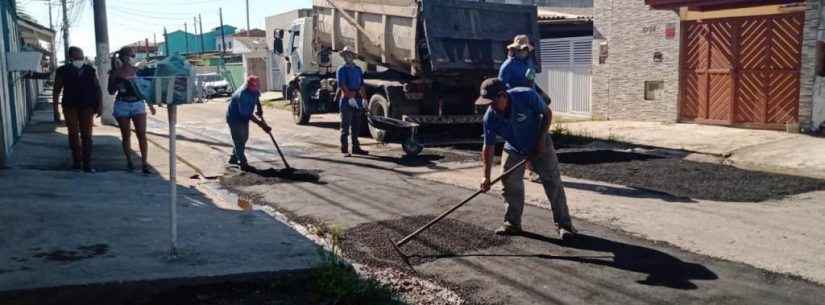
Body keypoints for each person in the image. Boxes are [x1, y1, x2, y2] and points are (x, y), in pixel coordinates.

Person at [476, 78, 577, 239]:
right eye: (488, 104)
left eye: (493, 102)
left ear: (503, 96)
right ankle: (512, 223)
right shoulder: (490, 117)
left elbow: (547, 113)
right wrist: (485, 176)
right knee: (509, 182)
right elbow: (488, 147)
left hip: (540, 143)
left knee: (552, 182)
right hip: (514, 147)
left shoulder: (526, 96)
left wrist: (541, 140)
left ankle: (565, 225)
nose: (491, 107)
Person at [52, 46, 102, 172]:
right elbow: (56, 90)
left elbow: (97, 88)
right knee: (73, 133)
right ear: (71, 58)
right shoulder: (62, 70)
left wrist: (100, 105)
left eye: (82, 56)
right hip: (70, 106)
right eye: (77, 57)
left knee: (87, 135)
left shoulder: (90, 70)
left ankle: (87, 164)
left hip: (87, 106)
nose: (80, 59)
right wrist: (55, 110)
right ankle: (76, 161)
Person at [109, 46, 156, 174]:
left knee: (141, 134)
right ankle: (129, 162)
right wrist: (117, 83)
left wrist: (150, 105)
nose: (132, 58)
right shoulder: (115, 72)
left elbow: (143, 89)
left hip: (137, 104)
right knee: (126, 135)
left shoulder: (137, 71)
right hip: (122, 105)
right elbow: (110, 91)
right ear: (123, 57)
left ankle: (144, 164)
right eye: (131, 55)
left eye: (133, 56)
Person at [226, 75, 271, 171]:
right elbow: (247, 115)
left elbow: (257, 97)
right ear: (248, 85)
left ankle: (233, 158)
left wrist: (259, 108)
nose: (255, 89)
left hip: (244, 117)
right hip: (235, 118)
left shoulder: (254, 89)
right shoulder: (242, 94)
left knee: (244, 138)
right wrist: (262, 125)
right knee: (239, 140)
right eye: (253, 87)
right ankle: (243, 163)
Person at [336, 46, 368, 156]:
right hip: (346, 100)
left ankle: (356, 148)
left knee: (356, 126)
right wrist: (350, 97)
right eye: (345, 55)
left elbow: (361, 85)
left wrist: (364, 99)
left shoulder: (358, 69)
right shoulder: (341, 69)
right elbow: (342, 85)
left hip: (358, 100)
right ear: (344, 57)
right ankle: (344, 150)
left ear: (353, 57)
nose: (347, 57)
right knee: (345, 127)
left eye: (349, 55)